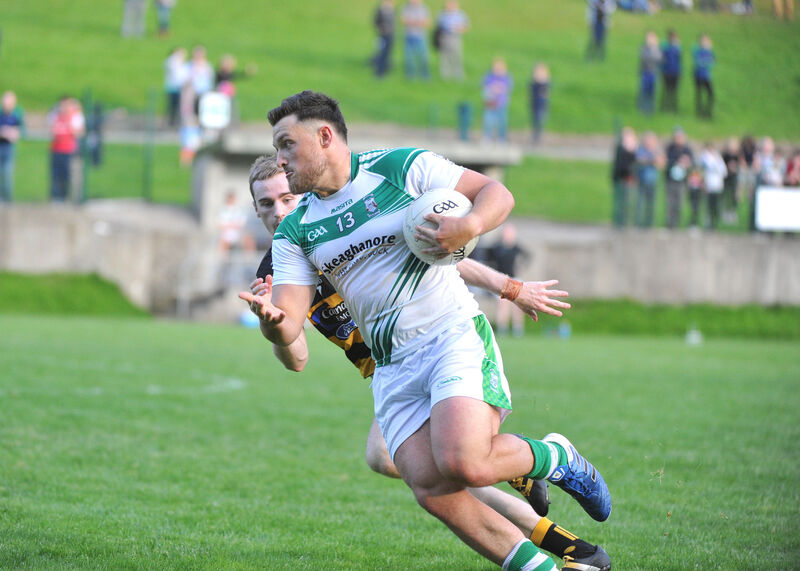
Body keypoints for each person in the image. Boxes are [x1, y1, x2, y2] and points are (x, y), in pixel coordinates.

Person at [244, 90, 612, 570]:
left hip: (447, 336)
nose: (281, 160)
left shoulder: (400, 168)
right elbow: (290, 326)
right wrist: (272, 324)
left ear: (325, 137)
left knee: (466, 463)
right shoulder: (296, 236)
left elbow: (493, 195)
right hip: (389, 369)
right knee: (432, 485)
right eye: (276, 151)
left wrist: (472, 230)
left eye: (286, 145)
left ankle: (555, 458)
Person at [488, 224, 531, 338]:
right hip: (501, 279)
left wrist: (521, 267)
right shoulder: (497, 248)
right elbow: (488, 259)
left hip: (513, 279)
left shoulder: (516, 248)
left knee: (517, 304)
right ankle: (502, 328)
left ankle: (518, 329)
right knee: (503, 303)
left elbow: (527, 256)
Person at [48, 96, 85, 202]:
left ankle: (66, 197)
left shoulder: (74, 116)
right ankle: (56, 197)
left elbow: (79, 132)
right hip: (56, 149)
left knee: (67, 175)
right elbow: (52, 130)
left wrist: (68, 122)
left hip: (68, 150)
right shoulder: (56, 116)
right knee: (56, 175)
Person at [663, 127, 694, 229]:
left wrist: (686, 163)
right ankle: (669, 224)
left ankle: (677, 223)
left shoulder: (687, 150)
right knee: (670, 202)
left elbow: (692, 164)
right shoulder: (670, 148)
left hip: (682, 180)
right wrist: (675, 162)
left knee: (679, 203)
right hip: (670, 179)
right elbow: (665, 161)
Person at [635, 131, 664, 228]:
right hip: (642, 180)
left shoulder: (656, 150)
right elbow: (640, 160)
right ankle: (639, 222)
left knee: (651, 203)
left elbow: (660, 163)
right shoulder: (641, 150)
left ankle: (649, 223)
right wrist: (652, 160)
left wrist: (651, 160)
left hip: (653, 181)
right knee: (640, 203)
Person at [435, 1, 470, 81]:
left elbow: (466, 26)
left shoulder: (460, 14)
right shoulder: (442, 14)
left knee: (456, 56)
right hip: (444, 37)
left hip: (455, 37)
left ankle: (458, 75)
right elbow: (438, 27)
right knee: (444, 57)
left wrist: (459, 29)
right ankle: (445, 76)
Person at [611, 126, 638, 227]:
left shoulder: (634, 150)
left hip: (630, 178)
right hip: (623, 178)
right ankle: (621, 222)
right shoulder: (621, 149)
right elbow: (620, 165)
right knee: (622, 202)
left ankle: (629, 222)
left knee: (630, 202)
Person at [482, 57, 513, 143]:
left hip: (502, 104)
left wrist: (500, 88)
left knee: (502, 123)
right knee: (488, 121)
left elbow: (507, 88)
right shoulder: (489, 77)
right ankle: (487, 137)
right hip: (491, 104)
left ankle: (502, 138)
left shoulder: (506, 78)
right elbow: (486, 87)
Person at [0, 91, 23, 202]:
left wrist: (11, 133)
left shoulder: (16, 115)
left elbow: (20, 130)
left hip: (8, 148)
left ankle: (7, 198)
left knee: (7, 173)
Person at [699, 142, 727, 229]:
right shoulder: (704, 157)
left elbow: (724, 171)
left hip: (717, 186)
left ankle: (715, 223)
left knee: (716, 206)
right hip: (708, 186)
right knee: (708, 206)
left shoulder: (718, 158)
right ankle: (708, 223)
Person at [402, 0, 431, 80]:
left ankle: (425, 75)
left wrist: (416, 22)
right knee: (409, 58)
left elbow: (427, 22)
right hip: (409, 36)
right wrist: (415, 22)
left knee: (423, 57)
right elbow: (403, 20)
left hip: (421, 36)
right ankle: (410, 75)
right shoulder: (406, 8)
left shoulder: (424, 8)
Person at [637, 31, 662, 115]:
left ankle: (651, 109)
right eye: (648, 38)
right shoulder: (644, 48)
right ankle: (643, 109)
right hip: (645, 72)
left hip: (653, 73)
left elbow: (659, 59)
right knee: (644, 91)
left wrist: (653, 50)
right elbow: (644, 58)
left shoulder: (657, 48)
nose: (649, 40)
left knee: (652, 91)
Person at [163, 47, 188, 128]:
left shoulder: (182, 63)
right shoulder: (172, 62)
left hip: (181, 88)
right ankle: (171, 123)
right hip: (173, 88)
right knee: (172, 106)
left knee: (180, 107)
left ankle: (177, 122)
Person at [692, 34, 715, 119]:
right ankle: (699, 112)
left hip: (707, 76)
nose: (705, 42)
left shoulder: (710, 51)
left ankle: (708, 111)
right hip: (698, 76)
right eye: (703, 40)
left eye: (706, 40)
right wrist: (706, 62)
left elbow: (713, 62)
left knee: (711, 94)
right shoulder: (697, 50)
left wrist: (706, 62)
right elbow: (698, 62)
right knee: (699, 94)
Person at [659, 29, 682, 113]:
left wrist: (680, 72)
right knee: (666, 90)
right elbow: (662, 59)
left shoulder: (678, 48)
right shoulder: (666, 47)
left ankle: (673, 107)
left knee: (674, 91)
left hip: (675, 72)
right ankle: (664, 107)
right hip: (667, 72)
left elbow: (679, 61)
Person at [372, 0, 396, 78]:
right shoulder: (380, 11)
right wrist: (382, 29)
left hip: (390, 35)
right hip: (383, 35)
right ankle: (380, 71)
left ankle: (386, 67)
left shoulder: (392, 10)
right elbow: (376, 22)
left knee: (387, 53)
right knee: (382, 53)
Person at [529, 63, 551, 145]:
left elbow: (546, 93)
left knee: (540, 121)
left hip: (542, 106)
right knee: (535, 122)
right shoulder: (534, 83)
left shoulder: (546, 83)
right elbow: (532, 91)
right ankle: (535, 137)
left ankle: (538, 137)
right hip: (535, 105)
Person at [720, 137, 741, 224]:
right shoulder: (725, 155)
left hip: (734, 178)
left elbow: (741, 165)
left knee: (734, 196)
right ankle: (725, 212)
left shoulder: (738, 156)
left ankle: (732, 212)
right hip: (726, 177)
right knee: (726, 195)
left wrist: (735, 168)